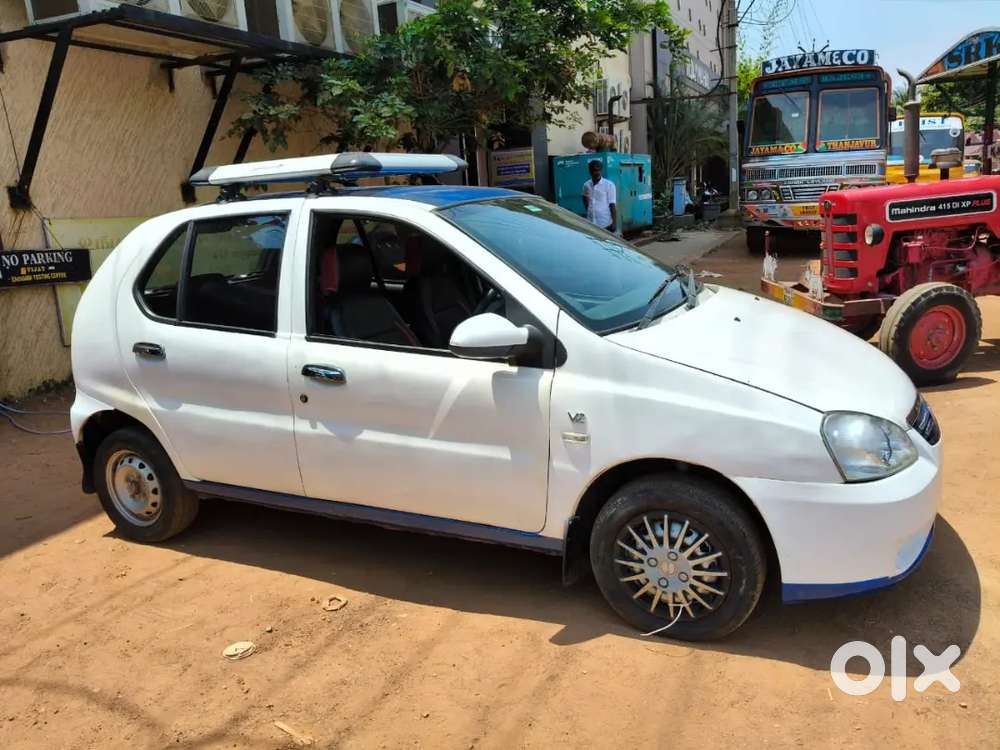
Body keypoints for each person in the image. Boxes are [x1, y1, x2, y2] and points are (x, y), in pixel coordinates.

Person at [581, 160, 617, 233]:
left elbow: (612, 205)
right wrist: (590, 210)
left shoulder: (609, 185)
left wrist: (614, 223)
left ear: (601, 170)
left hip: (605, 224)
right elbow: (585, 199)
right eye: (594, 170)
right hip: (591, 223)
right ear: (590, 171)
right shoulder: (586, 185)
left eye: (598, 170)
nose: (596, 172)